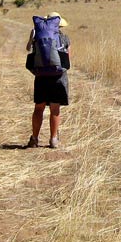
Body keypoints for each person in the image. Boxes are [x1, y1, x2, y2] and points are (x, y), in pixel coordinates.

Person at [27, 11, 71, 148]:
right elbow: (68, 59)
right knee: (55, 109)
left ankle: (34, 138)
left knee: (38, 108)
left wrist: (31, 38)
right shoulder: (65, 38)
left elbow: (28, 49)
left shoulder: (37, 35)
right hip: (58, 77)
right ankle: (53, 139)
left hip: (41, 76)